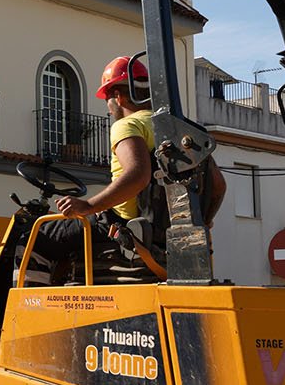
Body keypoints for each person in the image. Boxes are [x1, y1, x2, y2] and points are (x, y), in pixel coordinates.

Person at [30, 55, 226, 286]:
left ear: (117, 96)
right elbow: (218, 185)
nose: (109, 107)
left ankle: (26, 307)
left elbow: (138, 175)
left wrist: (89, 206)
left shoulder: (128, 125)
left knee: (37, 236)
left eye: (107, 100)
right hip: (164, 234)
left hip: (122, 226)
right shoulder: (181, 130)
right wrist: (204, 221)